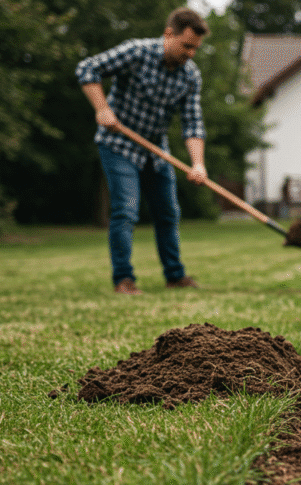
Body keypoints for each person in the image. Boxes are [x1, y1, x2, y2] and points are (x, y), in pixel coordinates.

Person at [76, 7, 210, 295]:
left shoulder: (190, 76)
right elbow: (87, 68)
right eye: (186, 46)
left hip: (155, 150)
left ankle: (175, 276)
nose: (190, 54)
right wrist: (102, 108)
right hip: (118, 144)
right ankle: (123, 279)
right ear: (168, 34)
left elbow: (193, 123)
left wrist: (198, 164)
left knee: (168, 213)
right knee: (126, 210)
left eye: (195, 49)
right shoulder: (137, 52)